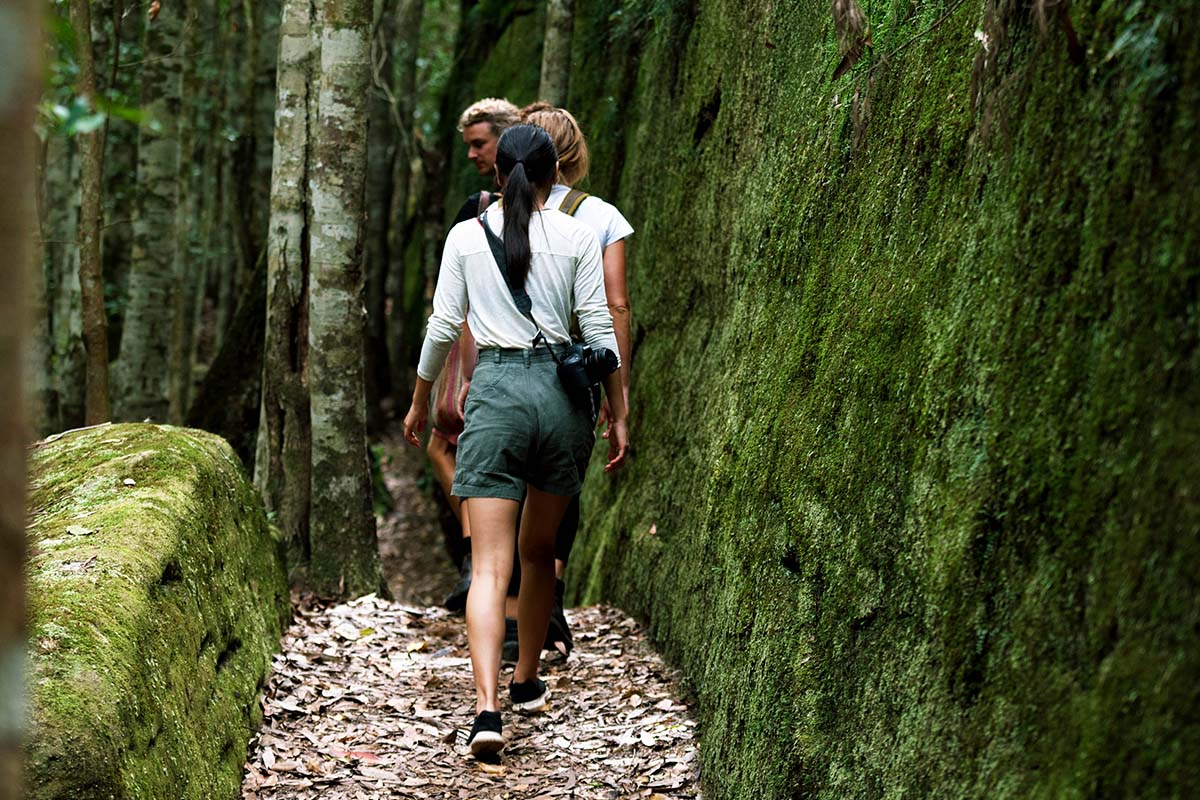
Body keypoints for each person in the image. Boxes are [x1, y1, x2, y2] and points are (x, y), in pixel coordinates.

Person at [403, 124, 629, 757]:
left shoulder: (467, 236)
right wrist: (618, 412)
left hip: (497, 393)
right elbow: (598, 333)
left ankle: (486, 710)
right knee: (539, 551)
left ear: (498, 176)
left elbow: (444, 324)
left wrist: (421, 400)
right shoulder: (580, 235)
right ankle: (527, 677)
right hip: (561, 400)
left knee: (489, 564)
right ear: (556, 174)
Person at [433, 98, 520, 611]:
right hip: (514, 355)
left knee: (455, 450)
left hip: (484, 352)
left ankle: (478, 557)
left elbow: (454, 300)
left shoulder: (480, 212)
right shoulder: (557, 212)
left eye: (479, 144)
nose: (471, 153)